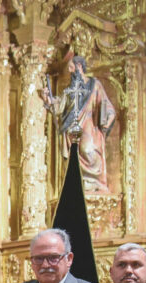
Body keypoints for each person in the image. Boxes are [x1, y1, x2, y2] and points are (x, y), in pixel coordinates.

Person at [40, 53, 117, 194]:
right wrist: (48, 99)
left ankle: (94, 181)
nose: (69, 71)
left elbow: (107, 105)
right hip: (71, 129)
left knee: (87, 149)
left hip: (88, 123)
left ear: (79, 66)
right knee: (74, 157)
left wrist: (108, 118)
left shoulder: (95, 85)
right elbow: (58, 107)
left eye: (71, 67)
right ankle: (80, 182)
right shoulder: (69, 90)